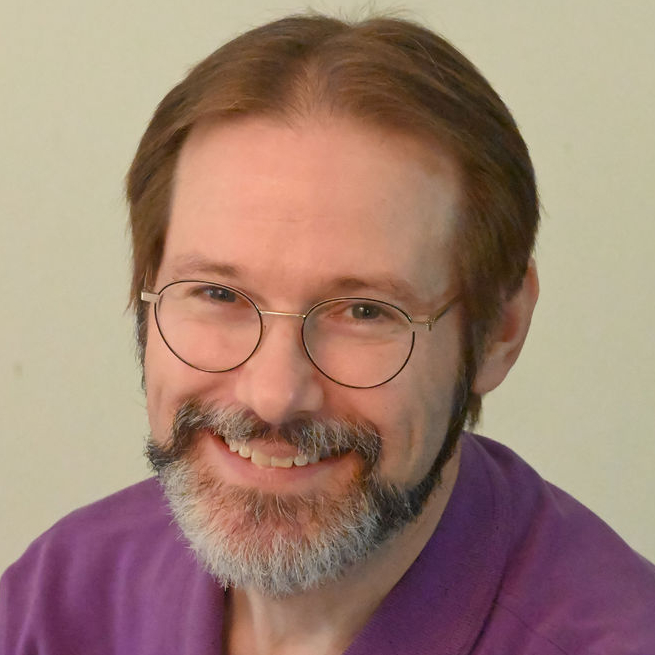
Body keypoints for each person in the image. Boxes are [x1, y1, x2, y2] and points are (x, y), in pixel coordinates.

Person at [1, 13, 653, 655]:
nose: (273, 394)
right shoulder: (56, 602)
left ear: (499, 333)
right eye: (219, 295)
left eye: (364, 312)